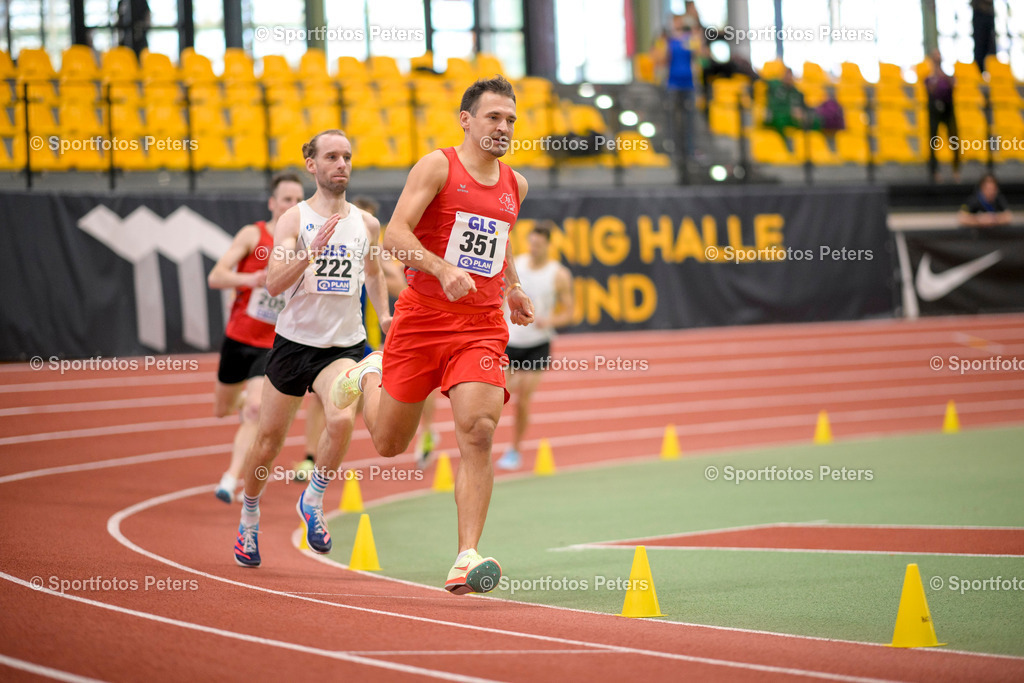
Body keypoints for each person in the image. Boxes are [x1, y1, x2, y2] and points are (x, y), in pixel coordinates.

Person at [331, 76, 534, 594]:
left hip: (482, 326)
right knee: (389, 443)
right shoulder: (437, 165)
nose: (503, 127)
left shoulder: (516, 184)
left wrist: (512, 286)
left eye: (510, 119)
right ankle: (371, 373)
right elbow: (396, 232)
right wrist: (441, 268)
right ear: (466, 120)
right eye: (493, 117)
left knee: (479, 429)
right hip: (421, 319)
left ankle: (466, 556)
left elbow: (500, 242)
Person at [233, 129, 391, 568]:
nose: (342, 164)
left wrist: (386, 317)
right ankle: (249, 518)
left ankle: (314, 499)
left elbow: (375, 274)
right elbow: (273, 282)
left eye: (347, 157)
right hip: (293, 344)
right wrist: (310, 254)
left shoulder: (366, 223)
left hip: (342, 347)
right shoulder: (294, 221)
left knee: (341, 420)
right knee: (268, 442)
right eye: (332, 157)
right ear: (312, 166)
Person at [207, 172, 304, 503]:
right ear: (273, 203)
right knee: (223, 409)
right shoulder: (253, 234)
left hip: (272, 344)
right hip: (238, 339)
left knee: (254, 410)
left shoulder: (305, 242)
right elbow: (216, 276)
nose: (292, 205)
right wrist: (253, 279)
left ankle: (229, 478)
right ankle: (240, 401)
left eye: (297, 200)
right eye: (286, 199)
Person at [495, 222, 574, 470]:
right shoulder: (514, 265)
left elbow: (569, 313)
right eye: (531, 242)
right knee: (498, 396)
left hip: (538, 343)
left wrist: (549, 321)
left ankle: (515, 449)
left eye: (539, 244)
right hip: (510, 342)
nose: (534, 248)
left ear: (548, 245)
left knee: (523, 401)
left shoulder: (559, 274)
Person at [656, 11, 701, 182]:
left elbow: (700, 54)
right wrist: (664, 43)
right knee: (673, 120)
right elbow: (660, 60)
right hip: (672, 84)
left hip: (688, 84)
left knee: (689, 121)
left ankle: (689, 152)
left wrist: (695, 35)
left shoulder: (690, 38)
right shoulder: (667, 40)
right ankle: (674, 151)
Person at [925, 50, 960, 184]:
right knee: (933, 142)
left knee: (954, 140)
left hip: (948, 110)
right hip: (934, 111)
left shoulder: (947, 77)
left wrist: (942, 75)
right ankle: (934, 172)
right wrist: (935, 74)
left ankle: (956, 171)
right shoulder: (929, 78)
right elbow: (930, 88)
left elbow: (953, 85)